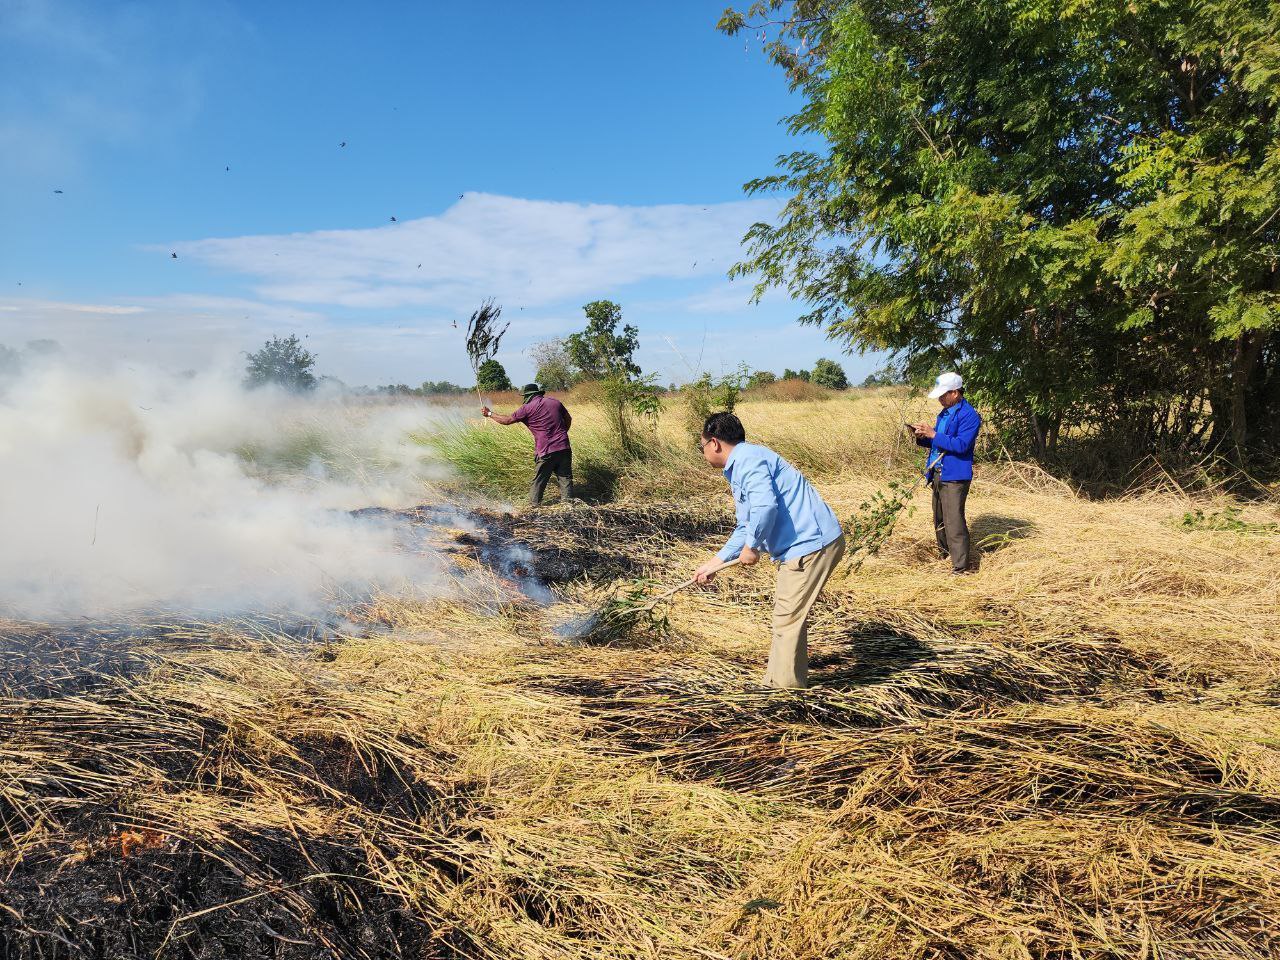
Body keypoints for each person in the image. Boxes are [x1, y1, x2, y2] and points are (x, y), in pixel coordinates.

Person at [693, 412, 845, 690]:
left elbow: (765, 509)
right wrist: (714, 563)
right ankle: (775, 683)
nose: (703, 454)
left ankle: (786, 693)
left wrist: (753, 547)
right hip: (804, 545)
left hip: (811, 545)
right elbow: (746, 524)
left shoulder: (748, 461)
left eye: (702, 446)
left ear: (714, 443)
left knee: (787, 620)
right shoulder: (744, 462)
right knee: (785, 618)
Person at [911, 372, 982, 575]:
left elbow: (961, 445)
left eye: (944, 395)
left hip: (955, 475)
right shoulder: (944, 413)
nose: (940, 399)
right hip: (938, 473)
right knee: (940, 518)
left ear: (955, 392)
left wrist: (933, 434)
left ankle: (961, 568)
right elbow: (939, 441)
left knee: (954, 521)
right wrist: (922, 436)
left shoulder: (969, 415)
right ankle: (946, 555)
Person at [481, 382, 574, 507]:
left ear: (528, 396)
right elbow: (568, 419)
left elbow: (507, 420)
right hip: (564, 446)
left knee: (539, 480)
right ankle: (568, 507)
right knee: (565, 478)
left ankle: (534, 508)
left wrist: (489, 414)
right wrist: (562, 435)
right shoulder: (555, 402)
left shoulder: (527, 408)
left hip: (546, 450)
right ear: (538, 393)